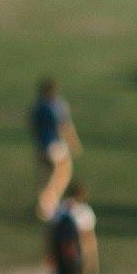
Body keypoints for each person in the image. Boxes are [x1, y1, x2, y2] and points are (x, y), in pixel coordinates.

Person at [46, 181, 98, 274]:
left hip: (60, 255)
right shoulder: (84, 212)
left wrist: (50, 254)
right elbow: (89, 238)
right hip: (76, 255)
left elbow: (51, 233)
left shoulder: (60, 209)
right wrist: (93, 259)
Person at [30, 79, 82, 221]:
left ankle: (46, 205)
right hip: (54, 144)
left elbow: (32, 126)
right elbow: (65, 125)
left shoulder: (37, 106)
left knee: (46, 176)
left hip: (40, 146)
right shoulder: (57, 105)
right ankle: (46, 204)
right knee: (63, 173)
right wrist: (74, 143)